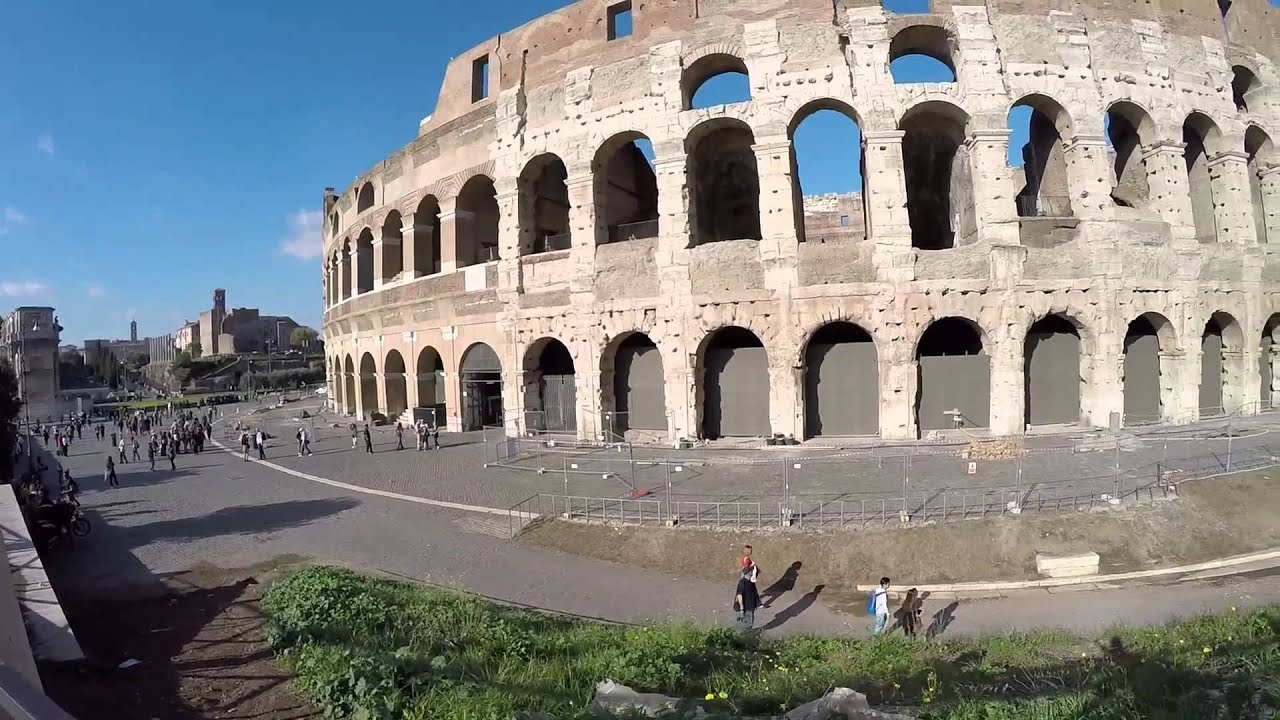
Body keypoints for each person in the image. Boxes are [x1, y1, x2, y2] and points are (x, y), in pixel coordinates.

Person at [735, 561, 761, 630]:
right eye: (752, 573)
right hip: (746, 608)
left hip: (751, 607)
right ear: (749, 573)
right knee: (745, 624)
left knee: (749, 624)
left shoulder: (751, 583)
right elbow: (739, 595)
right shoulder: (742, 582)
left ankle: (746, 632)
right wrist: (742, 609)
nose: (753, 574)